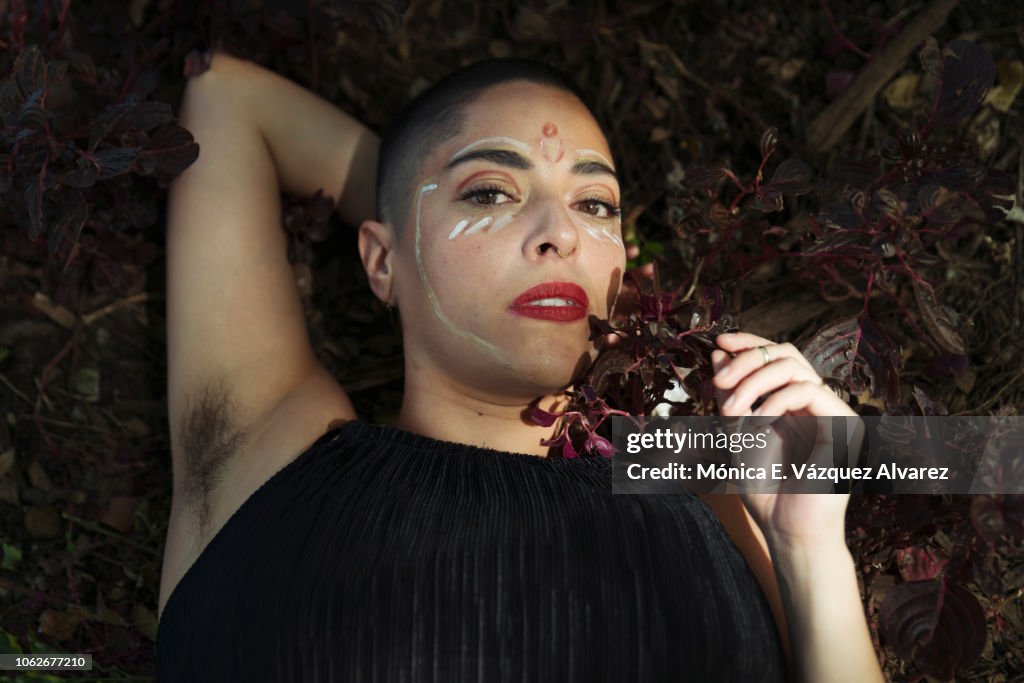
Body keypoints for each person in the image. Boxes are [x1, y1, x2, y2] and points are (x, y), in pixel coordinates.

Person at [155, 50, 883, 682]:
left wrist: (812, 551)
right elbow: (225, 97)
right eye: (489, 192)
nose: (561, 232)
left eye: (595, 204)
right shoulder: (269, 452)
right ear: (378, 260)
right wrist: (407, 204)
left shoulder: (704, 477)